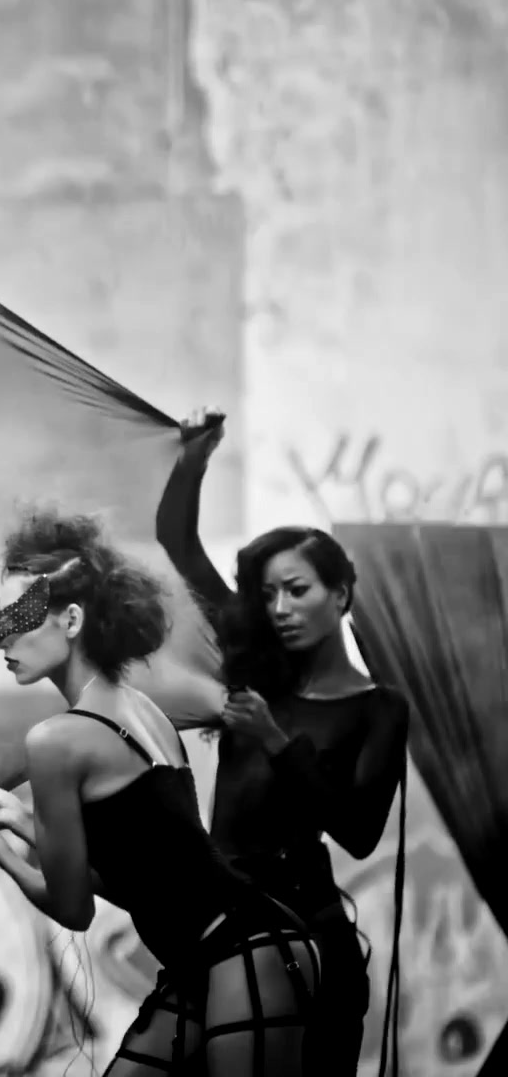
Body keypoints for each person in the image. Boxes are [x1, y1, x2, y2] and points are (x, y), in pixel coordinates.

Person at [0, 509, 321, 1075]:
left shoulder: (54, 741)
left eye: (18, 616)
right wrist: (26, 825)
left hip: (243, 952)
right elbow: (149, 873)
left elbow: (73, 910)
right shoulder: (144, 711)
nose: (2, 634)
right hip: (229, 950)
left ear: (71, 619)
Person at [156, 410, 411, 1074]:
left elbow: (359, 830)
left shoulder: (379, 709)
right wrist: (193, 460)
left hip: (305, 929)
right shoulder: (253, 667)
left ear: (341, 595)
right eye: (267, 594)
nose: (279, 609)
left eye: (297, 591)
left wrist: (273, 738)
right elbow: (178, 544)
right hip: (218, 920)